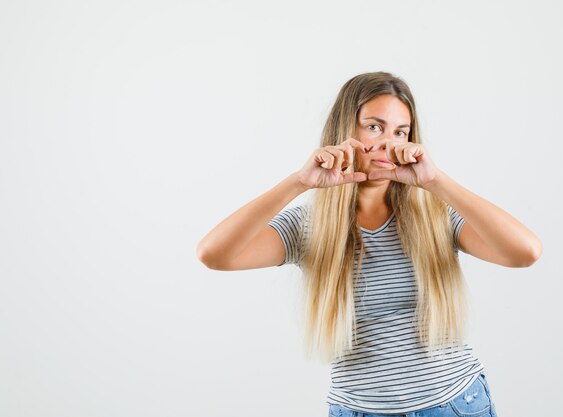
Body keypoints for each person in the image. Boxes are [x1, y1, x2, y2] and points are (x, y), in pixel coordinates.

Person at [196, 71, 542, 417]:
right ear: (346, 128)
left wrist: (436, 181)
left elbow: (525, 252)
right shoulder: (309, 226)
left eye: (400, 132)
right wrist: (298, 184)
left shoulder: (437, 214)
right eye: (374, 127)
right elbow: (214, 255)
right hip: (356, 410)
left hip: (452, 403)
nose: (388, 143)